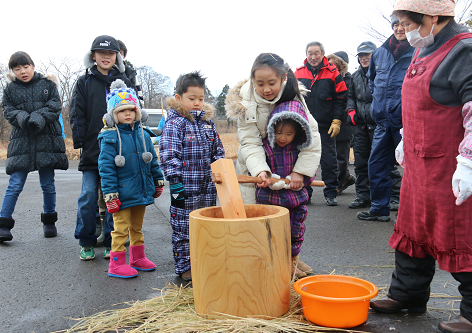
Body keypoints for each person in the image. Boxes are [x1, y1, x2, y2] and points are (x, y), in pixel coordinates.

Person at [370, 1, 472, 332]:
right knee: (413, 232)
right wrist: (406, 137)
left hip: (455, 167)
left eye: (408, 23)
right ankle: (407, 295)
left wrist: (470, 160)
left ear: (433, 17)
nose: (404, 31)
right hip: (420, 166)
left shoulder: (467, 51)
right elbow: (416, 102)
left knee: (464, 238)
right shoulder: (423, 48)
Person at [225, 53, 321, 275]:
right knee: (261, 218)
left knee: (292, 217)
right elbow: (249, 142)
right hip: (259, 167)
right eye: (260, 84)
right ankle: (271, 263)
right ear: (252, 81)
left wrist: (300, 172)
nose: (266, 89)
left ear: (283, 78)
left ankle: (290, 259)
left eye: (272, 83)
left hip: (289, 165)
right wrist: (260, 170)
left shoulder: (295, 97)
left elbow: (311, 137)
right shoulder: (245, 101)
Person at [69, 35, 134, 260]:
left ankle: (110, 241)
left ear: (117, 57)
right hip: (92, 150)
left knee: (113, 196)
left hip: (118, 151)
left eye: (110, 54)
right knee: (87, 196)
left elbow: (133, 113)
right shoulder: (84, 82)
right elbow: (77, 114)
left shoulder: (125, 82)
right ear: (93, 56)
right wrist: (81, 143)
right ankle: (86, 241)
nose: (106, 57)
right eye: (101, 53)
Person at [0, 51, 69, 241]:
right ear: (13, 71)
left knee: (48, 184)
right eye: (17, 69)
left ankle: (49, 222)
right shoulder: (10, 89)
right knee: (15, 184)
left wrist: (37, 118)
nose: (22, 71)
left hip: (47, 140)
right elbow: (8, 110)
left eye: (25, 67)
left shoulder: (48, 84)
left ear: (33, 66)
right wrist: (24, 119)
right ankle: (3, 226)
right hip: (21, 141)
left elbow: (54, 106)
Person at [159, 71, 225, 281]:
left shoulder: (207, 123)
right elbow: (169, 154)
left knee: (208, 223)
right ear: (179, 98)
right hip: (182, 189)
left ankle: (206, 260)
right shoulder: (175, 123)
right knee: (182, 227)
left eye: (201, 99)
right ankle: (185, 266)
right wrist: (175, 180)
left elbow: (218, 150)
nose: (197, 103)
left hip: (207, 188)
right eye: (192, 99)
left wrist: (221, 169)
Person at [98, 80, 164, 278]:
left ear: (138, 112)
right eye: (122, 111)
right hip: (121, 194)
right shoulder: (109, 138)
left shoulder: (144, 135)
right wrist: (110, 195)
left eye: (131, 110)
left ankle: (137, 257)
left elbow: (152, 161)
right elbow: (106, 169)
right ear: (112, 116)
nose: (128, 114)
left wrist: (157, 180)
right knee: (120, 229)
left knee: (137, 227)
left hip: (141, 190)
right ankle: (116, 264)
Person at [356, 16, 413, 222]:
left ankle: (410, 213)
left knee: (412, 169)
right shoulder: (379, 53)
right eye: (396, 24)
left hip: (406, 124)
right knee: (376, 165)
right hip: (382, 122)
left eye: (403, 24)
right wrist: (379, 104)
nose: (399, 28)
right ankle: (379, 208)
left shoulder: (419, 50)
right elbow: (371, 80)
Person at [255, 100, 318, 279]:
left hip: (295, 199)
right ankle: (277, 265)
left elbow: (309, 168)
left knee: (295, 232)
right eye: (279, 132)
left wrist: (303, 178)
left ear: (297, 132)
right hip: (270, 200)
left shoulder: (300, 147)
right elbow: (258, 167)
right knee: (272, 235)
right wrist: (264, 177)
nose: (283, 138)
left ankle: (292, 262)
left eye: (289, 134)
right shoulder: (266, 146)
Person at [347, 42, 402, 210]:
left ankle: (394, 197)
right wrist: (350, 110)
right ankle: (363, 196)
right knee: (361, 163)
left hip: (379, 124)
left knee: (385, 163)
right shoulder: (355, 76)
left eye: (367, 55)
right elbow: (351, 96)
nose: (364, 58)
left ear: (374, 55)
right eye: (361, 55)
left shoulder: (383, 73)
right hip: (360, 126)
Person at [295, 42, 348, 206]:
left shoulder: (333, 74)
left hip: (326, 127)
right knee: (304, 160)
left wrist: (337, 120)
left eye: (316, 53)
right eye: (310, 53)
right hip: (303, 127)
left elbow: (341, 98)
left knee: (329, 161)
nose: (313, 56)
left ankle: (331, 193)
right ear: (306, 54)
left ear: (323, 54)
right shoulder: (297, 74)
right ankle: (306, 193)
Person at [327, 51, 356, 195]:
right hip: (329, 122)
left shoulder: (349, 81)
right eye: (328, 63)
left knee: (341, 156)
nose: (330, 66)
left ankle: (339, 183)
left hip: (344, 123)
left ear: (341, 66)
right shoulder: (327, 80)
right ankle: (346, 178)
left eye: (333, 64)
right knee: (330, 156)